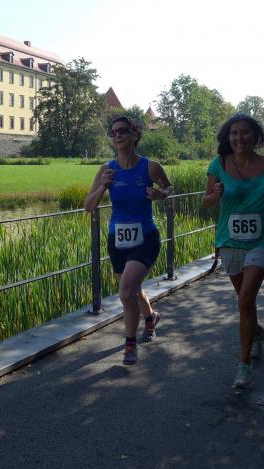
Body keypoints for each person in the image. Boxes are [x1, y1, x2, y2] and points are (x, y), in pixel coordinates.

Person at [202, 114, 264, 389]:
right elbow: (206, 202)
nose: (239, 138)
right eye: (234, 133)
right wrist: (215, 195)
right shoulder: (218, 164)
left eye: (245, 133)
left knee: (245, 299)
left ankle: (244, 366)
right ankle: (257, 332)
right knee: (246, 302)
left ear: (255, 136)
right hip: (230, 240)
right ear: (227, 137)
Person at [84, 116, 173, 365]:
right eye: (113, 132)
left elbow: (168, 188)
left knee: (125, 291)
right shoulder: (107, 169)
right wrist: (103, 186)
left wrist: (159, 194)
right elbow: (88, 206)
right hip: (117, 240)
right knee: (132, 289)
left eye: (122, 131)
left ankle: (130, 344)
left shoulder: (150, 167)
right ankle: (151, 317)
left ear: (135, 135)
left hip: (146, 237)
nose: (117, 135)